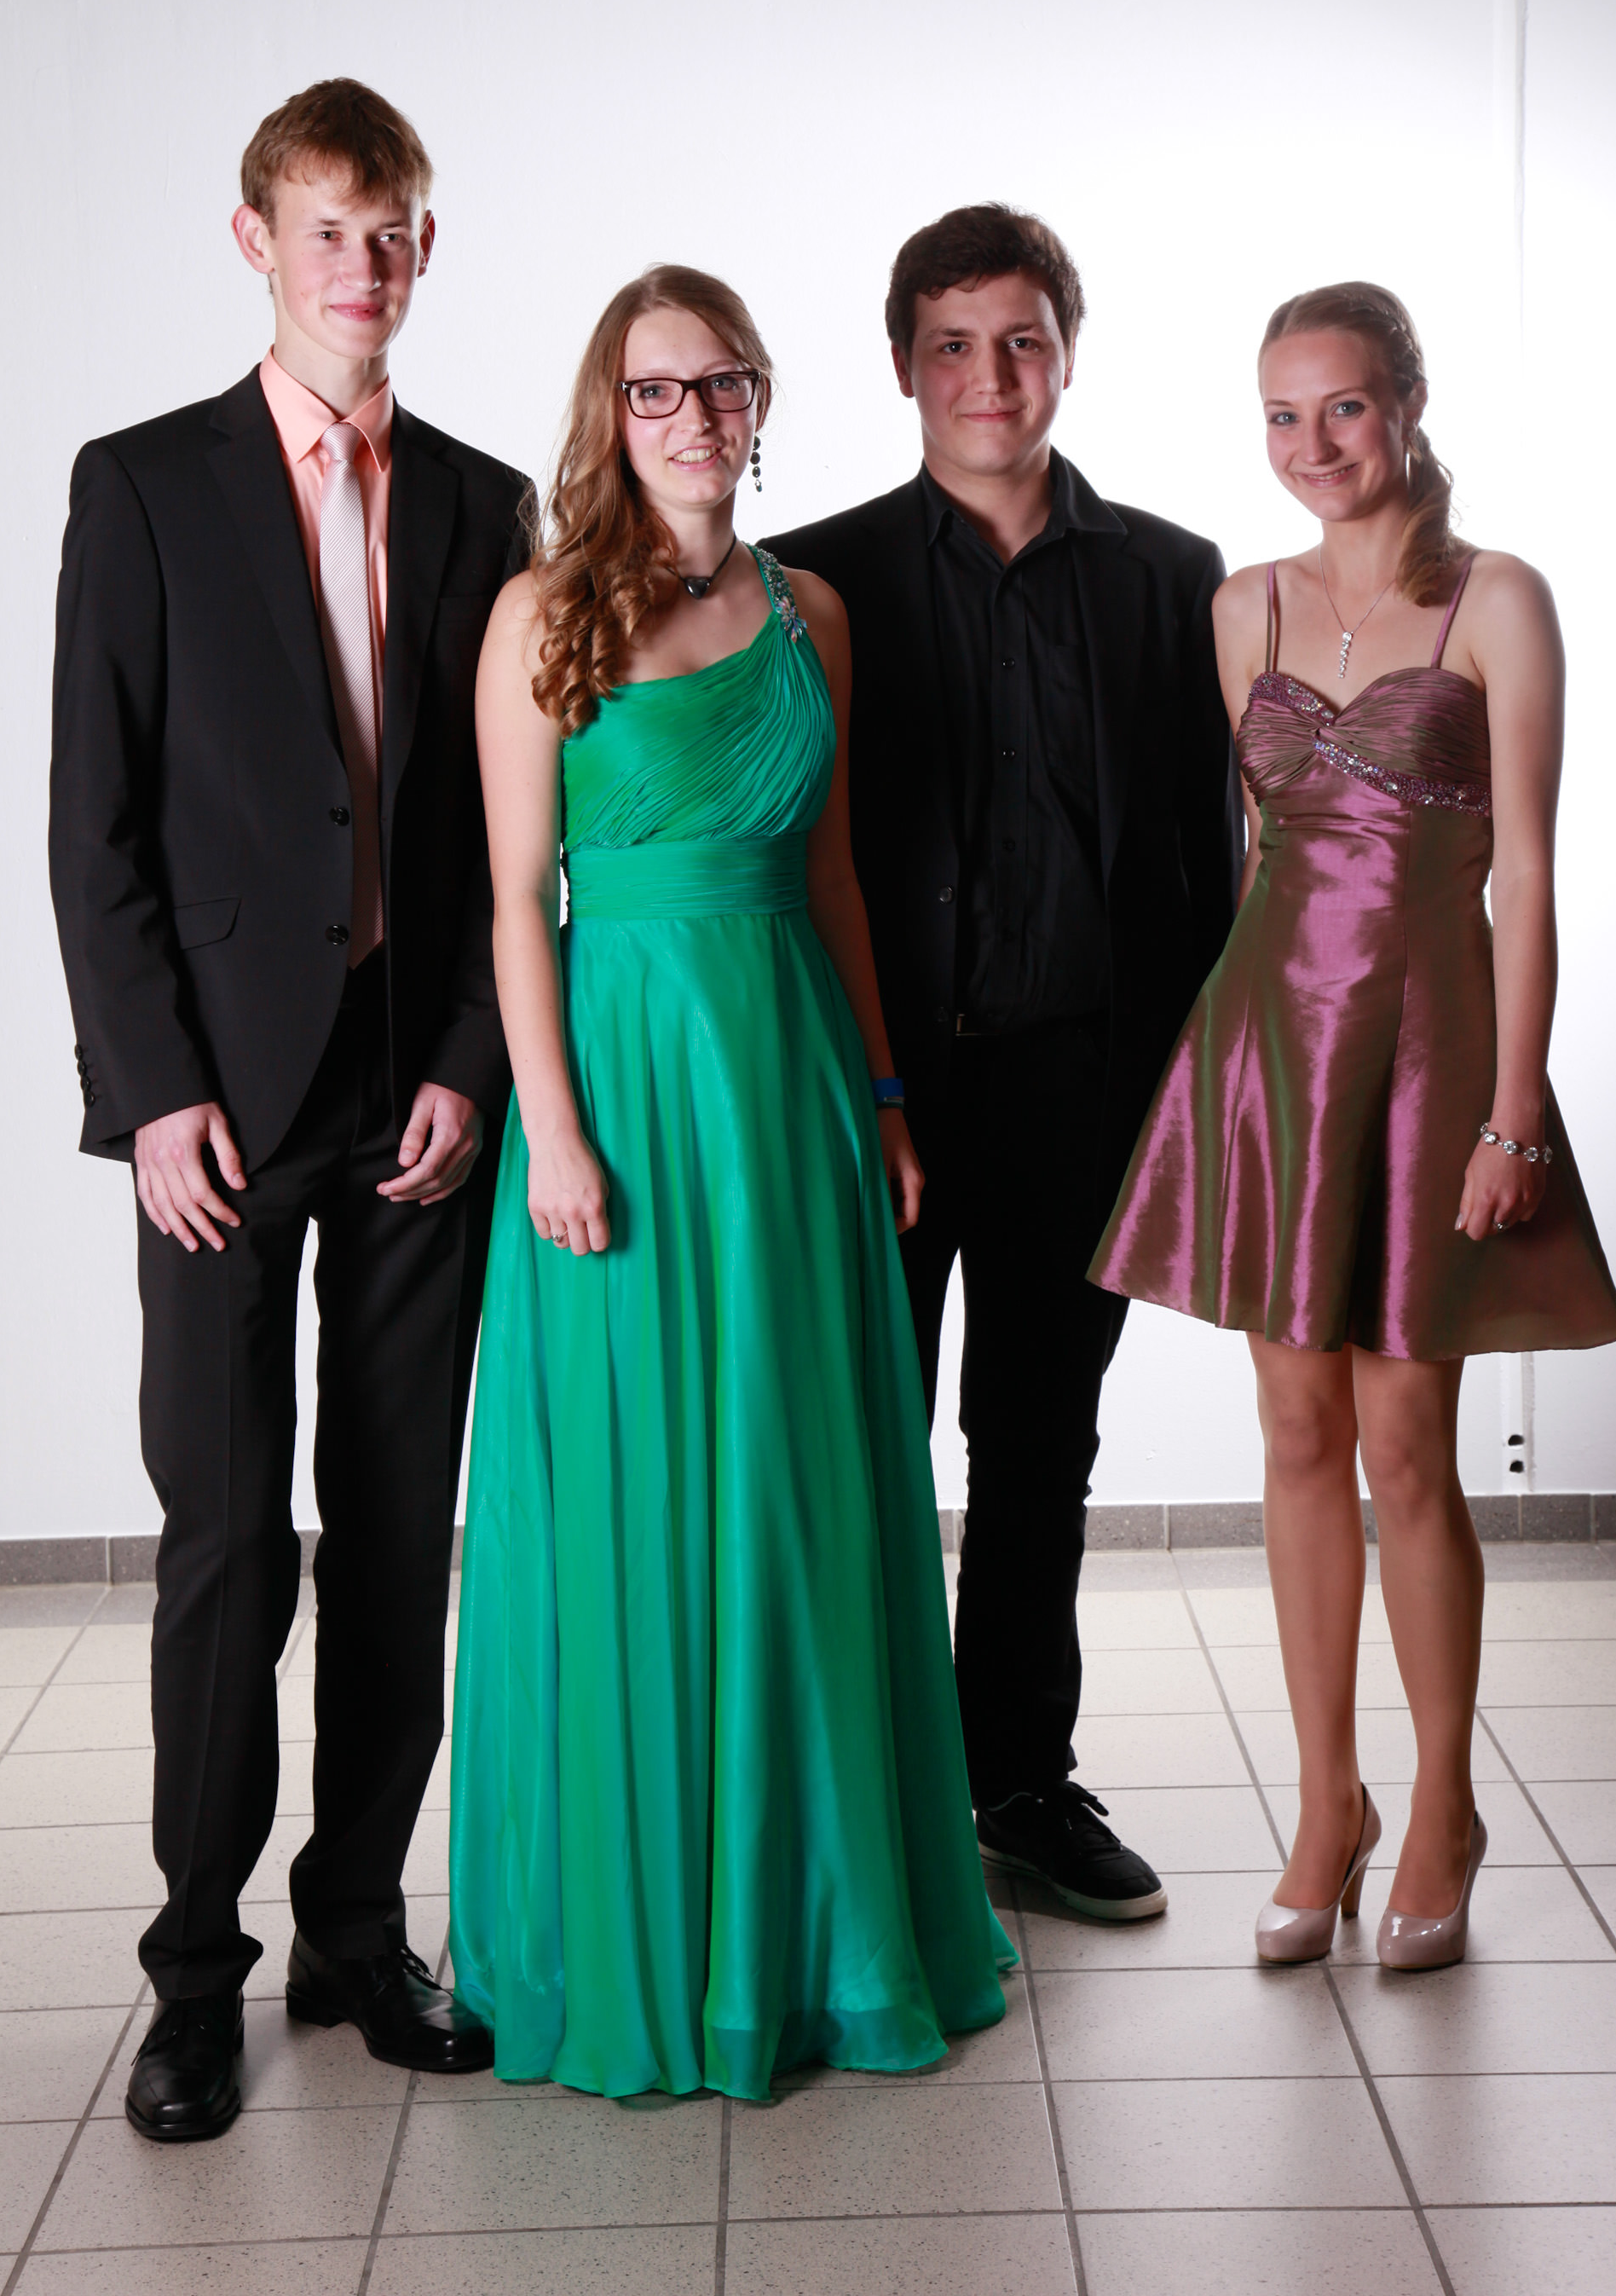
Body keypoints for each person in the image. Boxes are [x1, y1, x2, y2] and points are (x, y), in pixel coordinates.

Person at [449, 265, 1012, 2099]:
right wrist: (551, 1129)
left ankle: (809, 1929)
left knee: (792, 1483)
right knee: (630, 1490)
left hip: (785, 1083)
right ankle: (636, 1936)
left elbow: (832, 874)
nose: (693, 418)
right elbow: (515, 899)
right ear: (610, 417)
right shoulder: (542, 613)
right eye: (656, 391)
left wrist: (883, 1094)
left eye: (721, 385)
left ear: (759, 403)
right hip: (617, 1080)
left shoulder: (811, 613)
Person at [49, 79, 528, 2140]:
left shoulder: (490, 503)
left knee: (400, 1536)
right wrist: (152, 1096)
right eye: (328, 228)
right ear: (256, 241)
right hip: (221, 1117)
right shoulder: (144, 485)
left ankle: (355, 1930)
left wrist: (474, 1066)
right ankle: (193, 1971)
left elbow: (518, 831)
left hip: (416, 1096)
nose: (363, 264)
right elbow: (93, 827)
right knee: (230, 1544)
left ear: (427, 246)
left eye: (393, 229)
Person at [1092, 281, 1616, 1969]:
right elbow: (1259, 858)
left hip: (1429, 1057)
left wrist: (1514, 1112)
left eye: (1342, 406)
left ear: (1407, 400)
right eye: (1280, 413)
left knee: (1406, 1442)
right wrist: (1220, 1081)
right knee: (1295, 1433)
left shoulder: (1497, 599)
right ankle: (1328, 1807)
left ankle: (1445, 1803)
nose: (1312, 443)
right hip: (1271, 1052)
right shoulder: (1239, 607)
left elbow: (1528, 875)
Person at [771, 207, 1241, 1920]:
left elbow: (1206, 864)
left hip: (1083, 1095)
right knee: (860, 1445)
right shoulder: (811, 577)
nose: (990, 375)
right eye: (954, 345)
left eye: (1022, 340)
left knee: (1040, 1451)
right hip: (875, 1098)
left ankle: (1019, 1784)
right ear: (905, 366)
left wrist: (1197, 1105)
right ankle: (867, 1801)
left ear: (1068, 355)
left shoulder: (1171, 577)